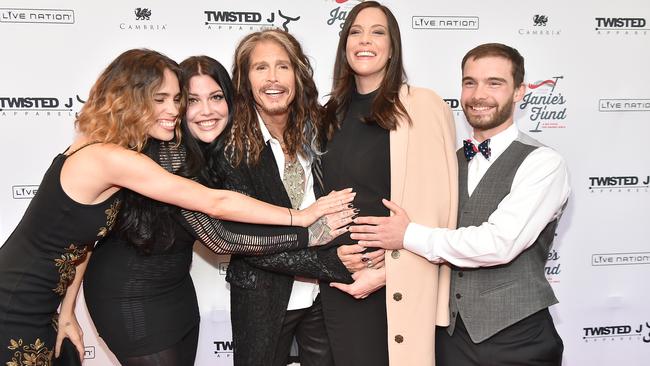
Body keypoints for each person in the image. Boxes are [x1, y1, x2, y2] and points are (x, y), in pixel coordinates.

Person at [0, 49, 352, 366]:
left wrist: (66, 311)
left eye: (176, 99)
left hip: (134, 297)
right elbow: (217, 216)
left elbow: (81, 241)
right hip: (22, 302)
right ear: (130, 99)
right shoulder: (116, 157)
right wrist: (305, 223)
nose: (175, 110)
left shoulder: (121, 147)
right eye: (162, 99)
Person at [346, 43, 570, 366]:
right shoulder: (449, 163)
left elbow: (499, 243)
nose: (479, 94)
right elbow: (431, 237)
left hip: (519, 340)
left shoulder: (544, 163)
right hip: (449, 338)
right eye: (470, 82)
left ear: (520, 91)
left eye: (495, 83)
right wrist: (383, 273)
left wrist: (406, 235)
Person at [321, 2, 458, 365]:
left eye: (377, 31)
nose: (365, 40)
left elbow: (439, 211)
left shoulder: (421, 106)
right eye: (356, 31)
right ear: (344, 43)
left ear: (393, 45)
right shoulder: (328, 114)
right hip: (339, 280)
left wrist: (385, 273)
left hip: (395, 284)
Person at [218, 29, 363, 366]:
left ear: (297, 75)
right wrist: (331, 264)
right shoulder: (231, 145)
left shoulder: (321, 128)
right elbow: (246, 242)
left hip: (325, 300)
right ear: (244, 79)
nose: (273, 78)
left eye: (282, 67)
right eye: (260, 68)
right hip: (264, 298)